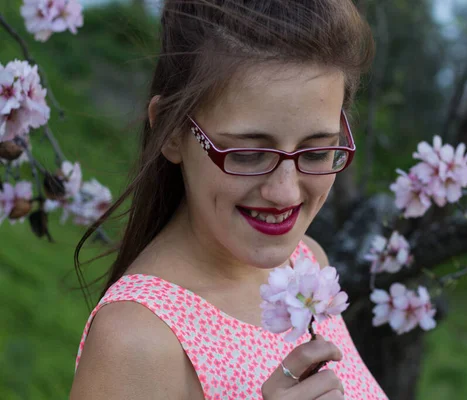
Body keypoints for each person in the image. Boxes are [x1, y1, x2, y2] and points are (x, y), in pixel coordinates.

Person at [70, 0, 386, 398]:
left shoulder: (305, 267)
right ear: (169, 131)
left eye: (317, 152)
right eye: (248, 154)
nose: (285, 192)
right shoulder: (138, 342)